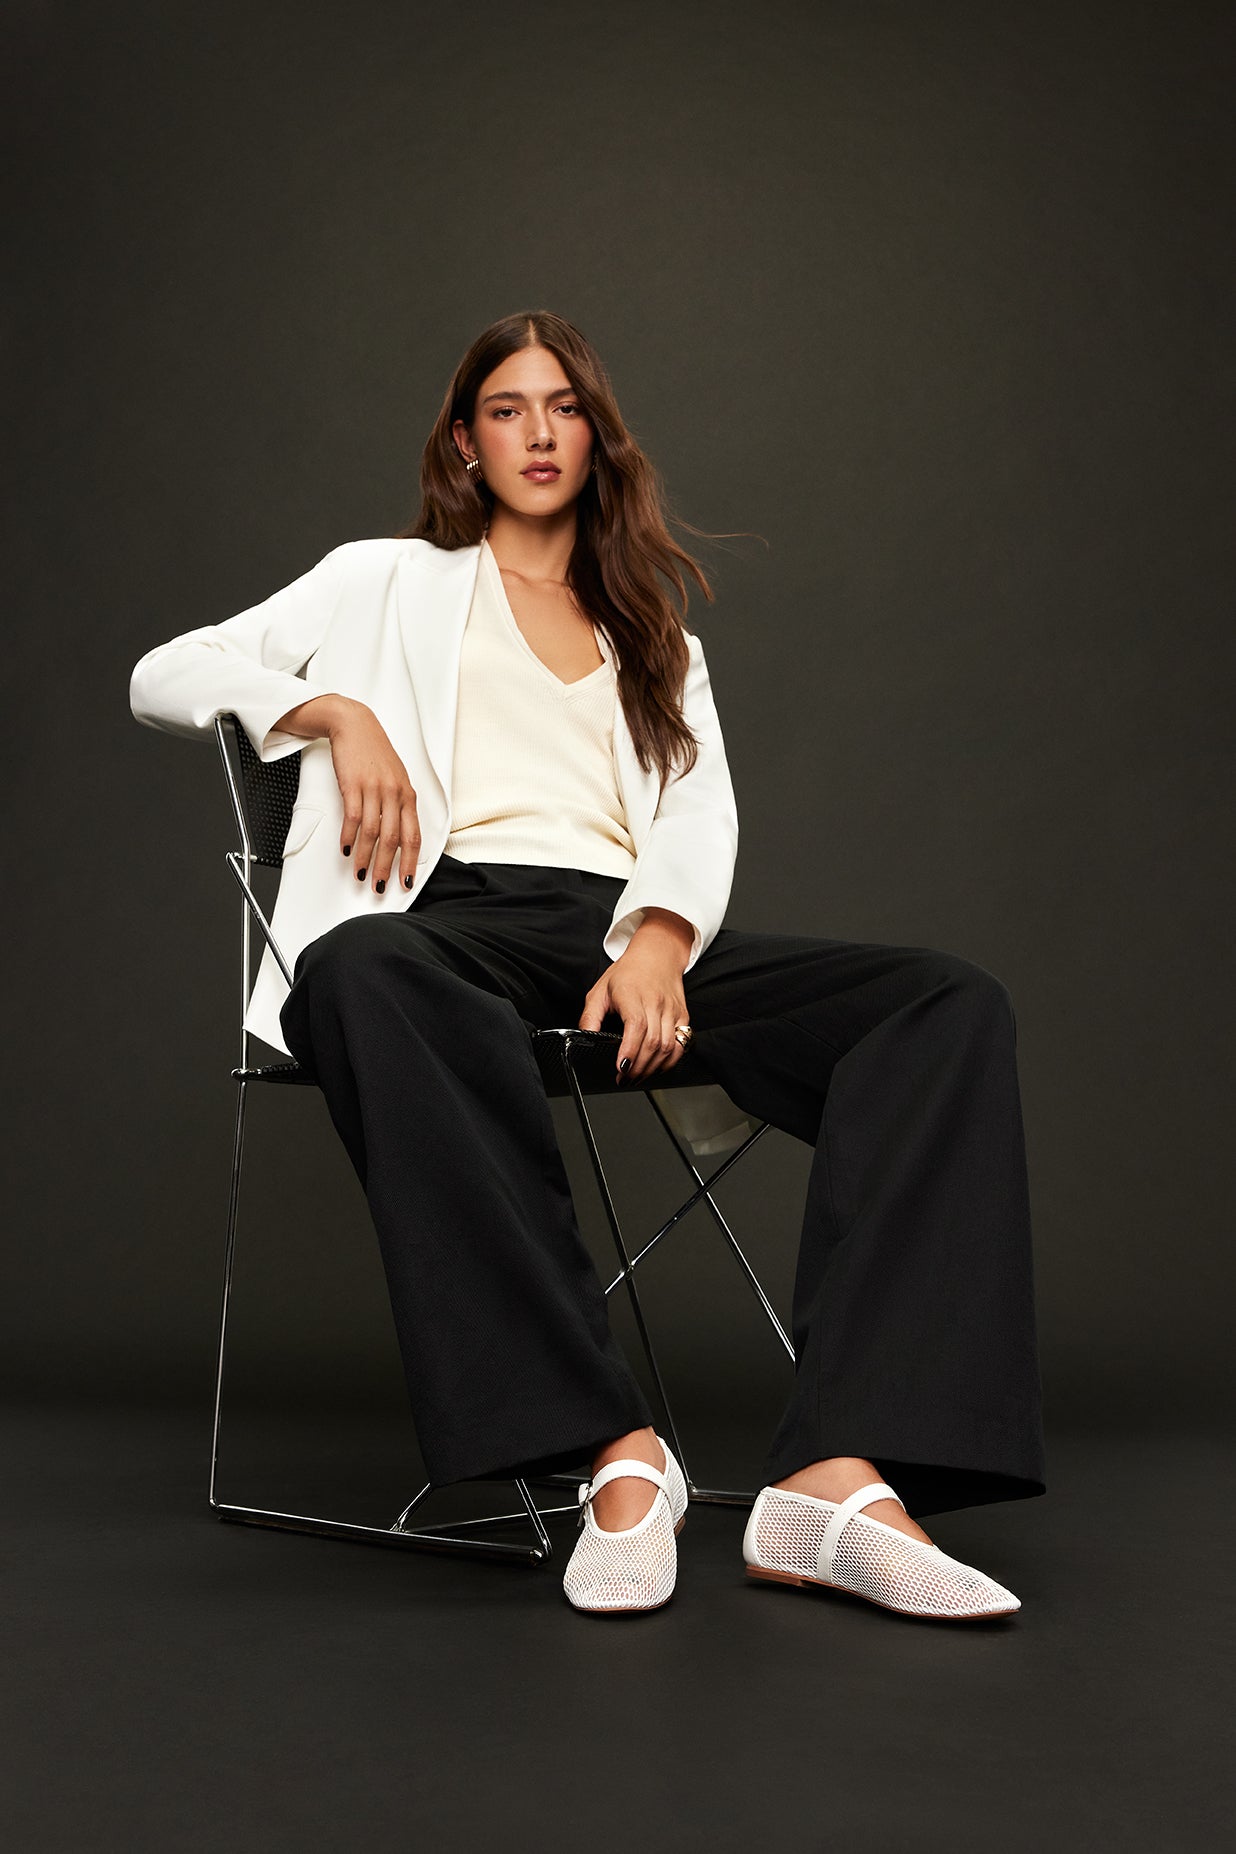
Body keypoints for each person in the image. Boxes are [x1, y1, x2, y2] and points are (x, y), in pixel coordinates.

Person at [130, 309, 1046, 1621]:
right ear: (466, 441)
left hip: (617, 941)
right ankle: (614, 1452)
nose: (539, 432)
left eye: (563, 406)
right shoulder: (380, 583)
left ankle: (833, 1475)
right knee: (360, 970)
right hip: (436, 926)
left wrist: (659, 940)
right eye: (507, 409)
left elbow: (696, 814)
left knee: (942, 1005)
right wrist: (331, 709)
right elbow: (168, 671)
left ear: (596, 436)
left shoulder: (654, 636)